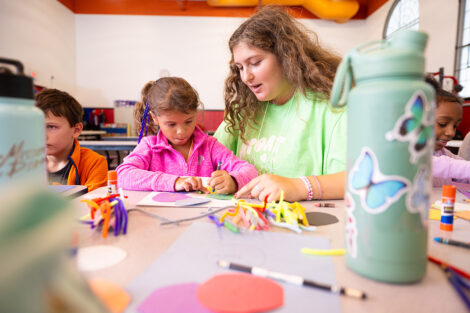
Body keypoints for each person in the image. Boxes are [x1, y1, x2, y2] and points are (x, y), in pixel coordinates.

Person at [214, 6, 346, 202]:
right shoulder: (244, 110)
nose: (246, 77)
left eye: (256, 62)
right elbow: (206, 156)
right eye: (239, 68)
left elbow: (356, 178)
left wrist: (297, 186)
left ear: (287, 56)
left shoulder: (331, 106)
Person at [116, 77, 257, 193]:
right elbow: (122, 175)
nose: (181, 131)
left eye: (188, 121)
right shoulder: (150, 146)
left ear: (195, 113)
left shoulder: (210, 146)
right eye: (171, 124)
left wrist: (233, 181)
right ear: (155, 118)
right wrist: (174, 181)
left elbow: (250, 171)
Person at [35, 89, 108, 191]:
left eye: (51, 127)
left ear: (76, 130)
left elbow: (93, 203)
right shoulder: (24, 164)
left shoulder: (94, 163)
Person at [425, 76, 470, 186]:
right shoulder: (407, 155)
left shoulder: (442, 152)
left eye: (455, 126)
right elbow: (447, 166)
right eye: (443, 124)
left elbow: (461, 167)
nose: (451, 133)